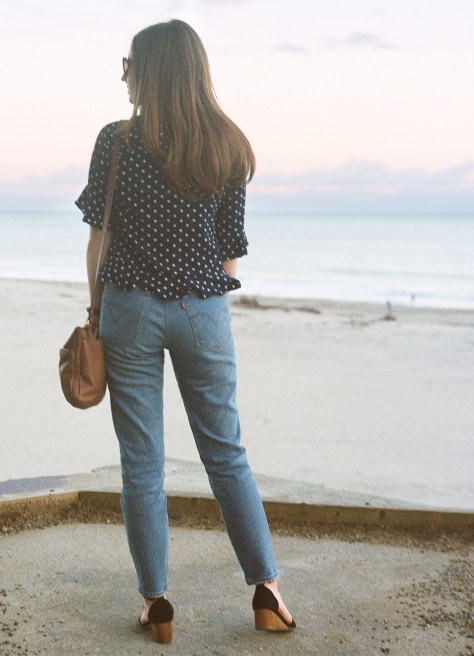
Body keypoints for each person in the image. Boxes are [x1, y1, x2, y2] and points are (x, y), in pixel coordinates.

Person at [75, 19, 296, 644]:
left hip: (129, 311)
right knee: (226, 453)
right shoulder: (228, 144)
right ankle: (266, 592)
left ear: (147, 71)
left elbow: (99, 240)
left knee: (142, 462)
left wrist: (97, 309)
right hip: (204, 310)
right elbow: (231, 256)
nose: (124, 76)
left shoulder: (116, 141)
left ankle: (159, 605)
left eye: (128, 65)